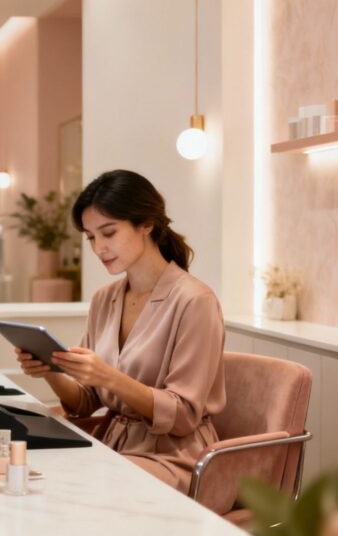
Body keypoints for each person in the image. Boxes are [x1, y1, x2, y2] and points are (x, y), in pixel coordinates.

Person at [14, 169, 225, 493]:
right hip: (115, 446)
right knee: (30, 472)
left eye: (109, 233)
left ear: (147, 223)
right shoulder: (105, 299)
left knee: (73, 487)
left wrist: (107, 376)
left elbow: (183, 416)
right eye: (90, 237)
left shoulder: (196, 301)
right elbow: (85, 402)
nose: (99, 248)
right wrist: (50, 371)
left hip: (177, 458)